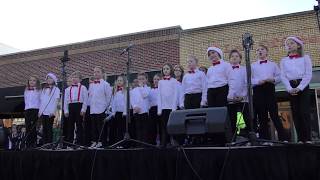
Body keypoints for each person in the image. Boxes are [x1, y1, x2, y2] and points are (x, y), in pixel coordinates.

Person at [251, 44, 288, 141]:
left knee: (274, 115)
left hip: (269, 88)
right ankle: (265, 140)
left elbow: (280, 77)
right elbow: (249, 80)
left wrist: (273, 79)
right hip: (258, 89)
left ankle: (283, 139)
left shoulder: (273, 64)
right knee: (262, 116)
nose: (260, 51)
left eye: (262, 49)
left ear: (266, 51)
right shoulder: (253, 66)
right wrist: (258, 81)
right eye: (258, 50)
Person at [280, 36, 312, 143]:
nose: (289, 45)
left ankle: (307, 138)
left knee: (304, 112)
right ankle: (300, 138)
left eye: (292, 43)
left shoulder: (305, 58)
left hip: (303, 86)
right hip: (291, 86)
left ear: (298, 45)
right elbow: (283, 76)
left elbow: (308, 74)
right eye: (287, 44)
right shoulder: (284, 60)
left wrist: (300, 87)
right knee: (296, 112)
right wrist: (289, 88)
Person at [227, 50, 250, 138]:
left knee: (246, 118)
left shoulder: (244, 69)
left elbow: (246, 83)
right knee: (232, 120)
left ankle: (247, 137)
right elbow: (226, 84)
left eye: (236, 56)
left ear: (240, 59)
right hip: (231, 100)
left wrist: (242, 96)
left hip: (243, 99)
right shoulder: (227, 70)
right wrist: (230, 97)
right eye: (232, 56)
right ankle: (234, 138)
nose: (234, 58)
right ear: (229, 59)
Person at [88, 67, 112, 148]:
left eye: (98, 72)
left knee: (101, 127)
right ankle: (95, 141)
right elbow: (90, 96)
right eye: (94, 72)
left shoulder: (106, 84)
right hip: (93, 109)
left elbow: (109, 97)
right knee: (94, 127)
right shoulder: (91, 85)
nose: (96, 73)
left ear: (102, 73)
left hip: (102, 109)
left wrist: (106, 108)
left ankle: (102, 142)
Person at [64, 71, 88, 145]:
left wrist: (83, 109)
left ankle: (79, 142)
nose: (74, 78)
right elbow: (65, 101)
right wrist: (66, 110)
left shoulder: (83, 88)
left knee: (79, 124)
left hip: (79, 105)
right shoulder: (67, 89)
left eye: (76, 77)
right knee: (70, 125)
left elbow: (85, 99)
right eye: (73, 77)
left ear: (80, 79)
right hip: (71, 106)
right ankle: (70, 142)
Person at [157, 64, 178, 147]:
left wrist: (174, 108)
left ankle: (172, 142)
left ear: (171, 70)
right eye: (164, 69)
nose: (165, 70)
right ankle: (164, 142)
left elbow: (175, 94)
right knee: (164, 126)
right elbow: (159, 95)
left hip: (171, 108)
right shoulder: (160, 82)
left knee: (171, 125)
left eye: (167, 69)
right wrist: (159, 109)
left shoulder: (174, 81)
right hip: (163, 107)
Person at [39, 73, 60, 144]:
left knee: (49, 128)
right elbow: (42, 101)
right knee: (44, 128)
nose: (49, 80)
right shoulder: (44, 89)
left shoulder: (56, 89)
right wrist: (40, 111)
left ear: (54, 80)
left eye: (50, 78)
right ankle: (45, 143)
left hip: (50, 112)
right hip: (43, 112)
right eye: (48, 78)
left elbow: (56, 101)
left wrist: (53, 111)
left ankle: (49, 143)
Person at [130, 73, 151, 143]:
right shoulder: (134, 90)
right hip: (137, 112)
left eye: (143, 79)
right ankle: (139, 143)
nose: (141, 80)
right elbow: (132, 100)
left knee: (145, 129)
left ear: (146, 80)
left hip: (144, 112)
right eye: (139, 79)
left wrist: (141, 87)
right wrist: (135, 106)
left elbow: (144, 95)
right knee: (138, 128)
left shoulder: (148, 88)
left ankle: (144, 144)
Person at [24, 75, 41, 148]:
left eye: (34, 80)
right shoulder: (26, 91)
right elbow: (26, 101)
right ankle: (28, 144)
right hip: (27, 110)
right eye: (30, 80)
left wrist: (40, 111)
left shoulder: (39, 91)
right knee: (28, 127)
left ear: (37, 82)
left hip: (35, 110)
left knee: (33, 127)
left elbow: (40, 101)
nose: (32, 82)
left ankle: (33, 143)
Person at [110, 76, 126, 144]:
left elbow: (126, 102)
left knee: (122, 128)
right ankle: (117, 143)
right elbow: (113, 102)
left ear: (124, 82)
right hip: (116, 112)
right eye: (118, 80)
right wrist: (113, 112)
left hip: (123, 112)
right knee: (116, 128)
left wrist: (125, 111)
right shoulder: (114, 91)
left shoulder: (125, 91)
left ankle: (122, 143)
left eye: (121, 80)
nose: (119, 82)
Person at [148, 74, 161, 145]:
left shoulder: (162, 90)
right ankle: (152, 142)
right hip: (152, 109)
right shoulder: (150, 90)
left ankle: (162, 141)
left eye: (157, 79)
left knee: (161, 125)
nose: (156, 81)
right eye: (155, 79)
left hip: (160, 108)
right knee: (152, 126)